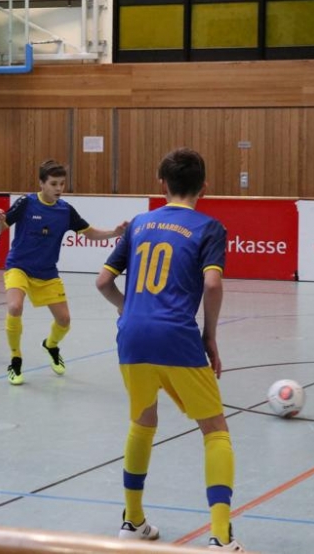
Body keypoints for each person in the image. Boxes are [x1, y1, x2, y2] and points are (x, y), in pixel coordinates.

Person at [95, 148, 244, 551]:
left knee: (142, 423)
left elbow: (103, 281)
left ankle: (132, 521)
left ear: (162, 184)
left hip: (131, 336)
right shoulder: (209, 227)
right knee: (215, 431)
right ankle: (221, 537)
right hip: (176, 336)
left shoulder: (139, 223)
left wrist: (130, 310)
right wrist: (209, 336)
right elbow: (212, 284)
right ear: (204, 188)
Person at [0, 159, 127, 386]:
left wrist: (115, 232)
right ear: (42, 183)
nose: (59, 188)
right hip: (19, 267)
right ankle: (15, 359)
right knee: (14, 307)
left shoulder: (65, 211)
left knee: (64, 320)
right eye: (53, 183)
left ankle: (51, 345)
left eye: (62, 183)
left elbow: (89, 233)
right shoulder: (26, 203)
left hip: (47, 272)